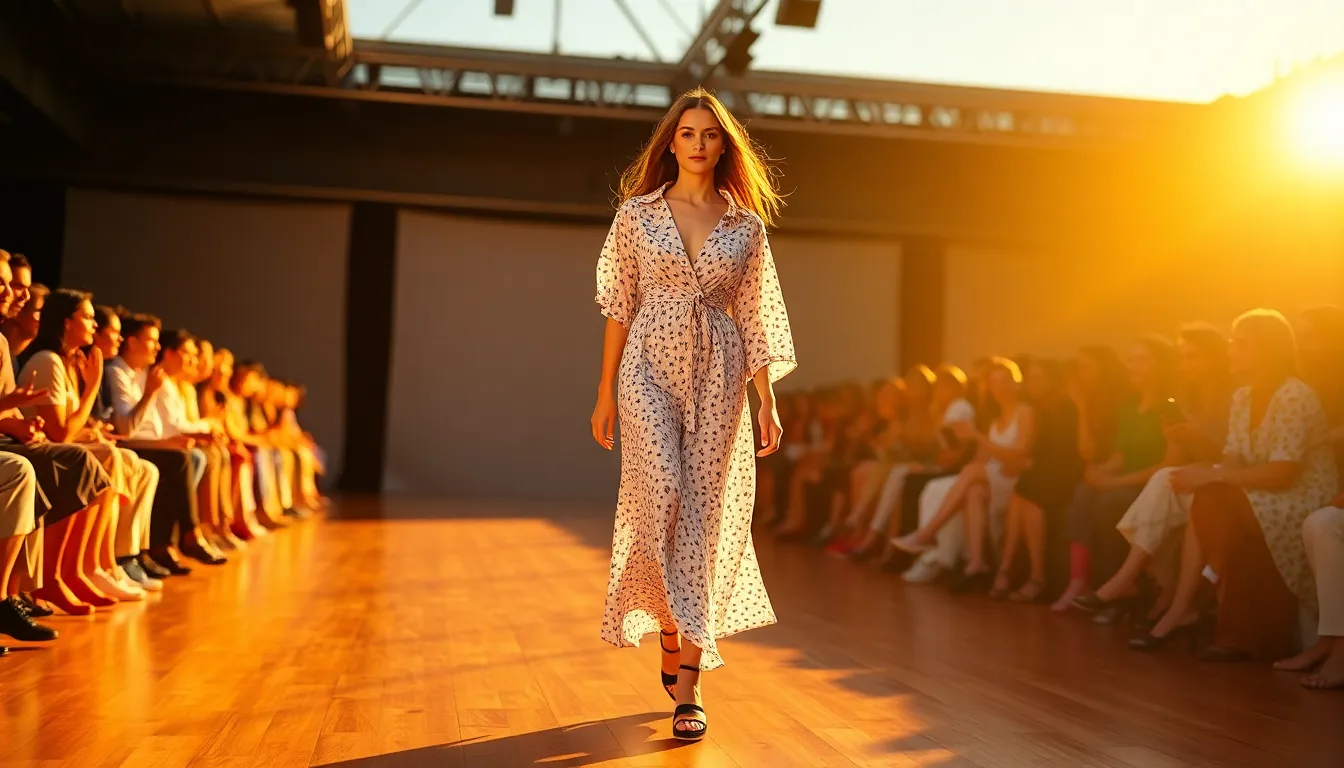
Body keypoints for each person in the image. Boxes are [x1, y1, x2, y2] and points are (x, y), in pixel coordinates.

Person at [589, 87, 796, 741]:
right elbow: (619, 303)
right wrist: (602, 393)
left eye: (710, 134)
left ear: (722, 145)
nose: (699, 143)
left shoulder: (745, 226)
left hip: (721, 372)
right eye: (688, 133)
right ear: (671, 142)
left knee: (703, 519)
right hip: (648, 362)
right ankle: (670, 622)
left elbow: (758, 316)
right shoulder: (637, 215)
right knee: (665, 495)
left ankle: (690, 685)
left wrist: (767, 398)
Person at [1136, 310, 1338, 659]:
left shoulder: (1294, 395)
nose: (1230, 350)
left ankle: (1196, 594)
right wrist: (1216, 472)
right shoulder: (1243, 396)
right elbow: (1232, 456)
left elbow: (1284, 472)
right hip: (1259, 490)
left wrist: (1214, 474)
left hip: (1300, 495)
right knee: (1211, 495)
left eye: (1240, 344)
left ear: (1268, 350)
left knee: (1213, 494)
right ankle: (1213, 582)